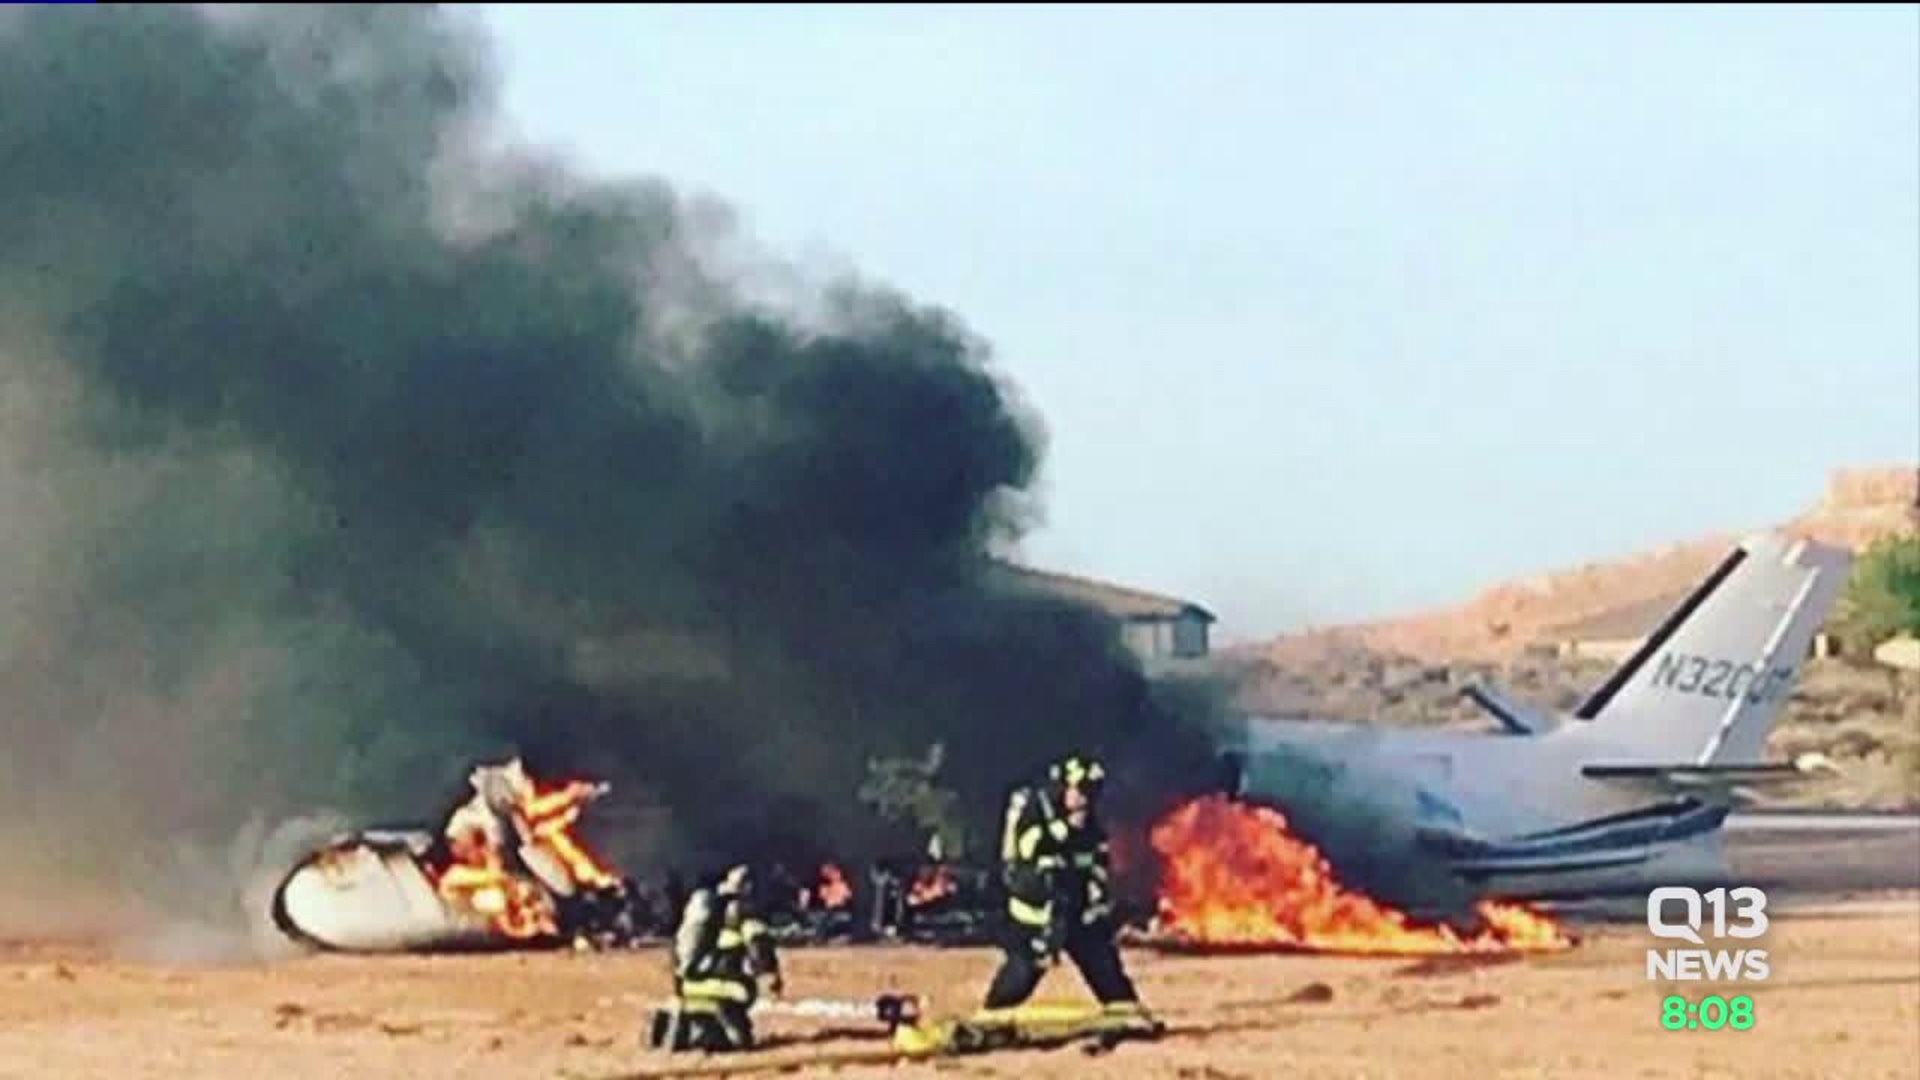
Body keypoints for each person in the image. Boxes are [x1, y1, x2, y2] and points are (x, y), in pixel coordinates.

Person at [982, 753, 1160, 1031]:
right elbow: (1026, 851)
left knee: (1101, 960)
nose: (1085, 799)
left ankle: (1125, 1011)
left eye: (1093, 792)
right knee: (1025, 969)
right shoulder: (1034, 806)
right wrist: (1065, 830)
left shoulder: (1088, 819)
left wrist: (1101, 894)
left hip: (1074, 908)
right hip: (1036, 910)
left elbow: (1097, 860)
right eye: (1081, 791)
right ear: (1063, 786)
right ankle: (990, 1020)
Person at [649, 864, 785, 1053]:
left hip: (688, 986)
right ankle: (720, 1028)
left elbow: (678, 951)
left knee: (701, 1014)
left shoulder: (701, 918)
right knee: (741, 1040)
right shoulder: (745, 914)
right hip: (728, 990)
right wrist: (770, 974)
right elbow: (759, 948)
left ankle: (688, 1026)